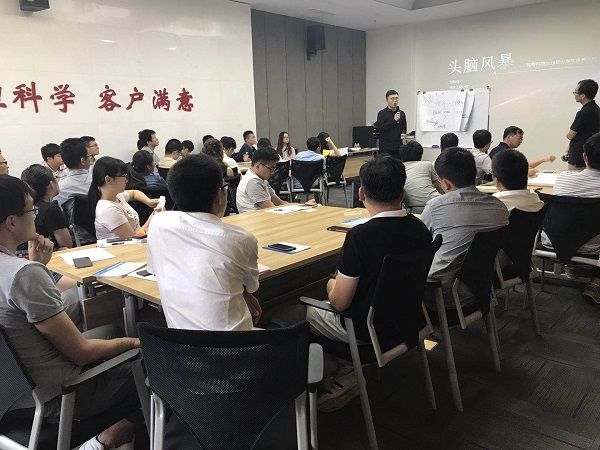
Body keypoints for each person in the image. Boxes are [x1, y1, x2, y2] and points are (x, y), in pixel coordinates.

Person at [0, 175, 140, 449]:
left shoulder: (20, 271)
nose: (36, 216)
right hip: (59, 399)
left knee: (110, 331)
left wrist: (39, 267)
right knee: (152, 359)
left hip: (10, 396)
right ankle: (109, 437)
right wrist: (136, 342)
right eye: (31, 210)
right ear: (12, 222)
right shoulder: (23, 274)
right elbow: (82, 353)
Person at [305, 155, 433, 411]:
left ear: (361, 193)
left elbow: (339, 303)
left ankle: (342, 370)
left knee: (289, 313)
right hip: (407, 319)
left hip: (367, 330)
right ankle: (347, 366)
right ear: (403, 193)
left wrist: (330, 285)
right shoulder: (419, 228)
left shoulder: (360, 237)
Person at [147, 154, 261, 330]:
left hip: (179, 343)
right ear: (219, 195)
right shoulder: (242, 240)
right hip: (236, 345)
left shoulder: (158, 223)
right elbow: (252, 286)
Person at [421, 147, 509, 315]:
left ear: (446, 184)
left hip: (441, 297)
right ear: (474, 173)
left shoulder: (436, 207)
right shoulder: (499, 207)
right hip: (483, 290)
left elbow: (421, 243)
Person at [544, 132, 600, 303]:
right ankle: (596, 282)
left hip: (553, 241)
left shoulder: (562, 178)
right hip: (592, 247)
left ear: (584, 157)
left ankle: (573, 266)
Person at [89, 156, 159, 240]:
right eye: (124, 176)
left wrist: (148, 201)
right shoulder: (108, 210)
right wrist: (154, 215)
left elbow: (134, 193)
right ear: (108, 179)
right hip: (126, 246)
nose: (126, 180)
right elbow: (134, 239)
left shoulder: (117, 196)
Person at [19, 164, 73, 250]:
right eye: (56, 178)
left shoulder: (23, 208)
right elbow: (67, 244)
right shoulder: (51, 210)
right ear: (51, 184)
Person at [236, 147, 288, 213]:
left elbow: (280, 202)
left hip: (264, 216)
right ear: (258, 166)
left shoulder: (262, 180)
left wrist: (298, 207)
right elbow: (272, 209)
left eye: (274, 169)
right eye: (271, 169)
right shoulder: (253, 182)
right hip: (255, 218)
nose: (273, 172)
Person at [563, 79, 600, 170]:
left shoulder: (583, 113)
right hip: (592, 156)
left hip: (579, 157)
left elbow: (570, 135)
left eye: (575, 92)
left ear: (583, 95)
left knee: (575, 178)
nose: (574, 94)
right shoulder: (597, 110)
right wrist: (567, 150)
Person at [489, 126, 555, 176]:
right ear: (509, 137)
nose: (521, 141)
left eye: (521, 139)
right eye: (519, 138)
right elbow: (509, 173)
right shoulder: (505, 152)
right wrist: (525, 173)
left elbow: (521, 167)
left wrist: (542, 160)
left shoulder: (499, 149)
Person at [398, 140, 442, 211]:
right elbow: (437, 184)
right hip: (435, 202)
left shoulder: (399, 168)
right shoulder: (427, 164)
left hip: (411, 207)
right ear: (421, 156)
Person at [55, 137, 93, 207]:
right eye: (89, 156)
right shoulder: (97, 182)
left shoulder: (58, 189)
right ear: (82, 161)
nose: (90, 159)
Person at [375, 89, 407, 155]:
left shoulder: (401, 113)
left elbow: (404, 127)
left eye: (396, 98)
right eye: (392, 99)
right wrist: (394, 120)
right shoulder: (382, 113)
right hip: (386, 147)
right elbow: (381, 128)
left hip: (398, 146)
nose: (395, 101)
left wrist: (403, 133)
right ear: (387, 100)